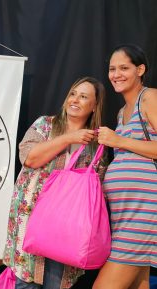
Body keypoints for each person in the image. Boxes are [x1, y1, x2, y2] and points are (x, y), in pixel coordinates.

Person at [3, 76, 107, 289]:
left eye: (84, 96)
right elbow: (30, 158)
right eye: (73, 94)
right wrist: (69, 138)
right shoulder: (45, 125)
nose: (75, 100)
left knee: (56, 282)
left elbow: (99, 189)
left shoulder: (97, 143)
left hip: (69, 227)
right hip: (32, 218)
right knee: (27, 281)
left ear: (95, 106)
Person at [93, 44, 157, 289]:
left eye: (123, 68)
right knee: (137, 284)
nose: (116, 74)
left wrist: (118, 140)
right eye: (112, 69)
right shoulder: (122, 113)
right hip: (125, 212)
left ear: (140, 69)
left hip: (145, 210)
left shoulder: (149, 97)